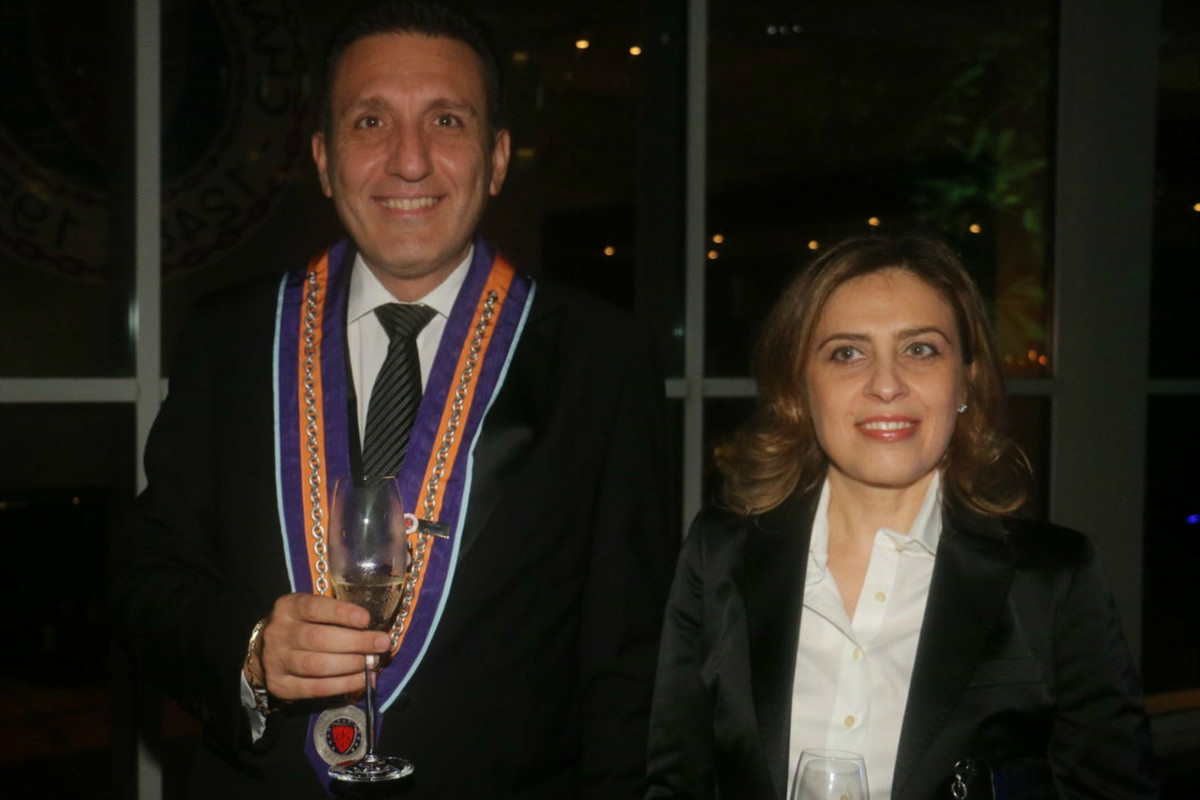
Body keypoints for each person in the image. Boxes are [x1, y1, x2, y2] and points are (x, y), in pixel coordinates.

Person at [115, 2, 675, 798]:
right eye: (370, 122)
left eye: (446, 120)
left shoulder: (601, 357)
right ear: (323, 159)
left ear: (497, 158)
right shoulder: (231, 337)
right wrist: (251, 652)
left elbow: (631, 662)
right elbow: (149, 574)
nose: (409, 161)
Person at [644, 233, 1158, 799]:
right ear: (800, 384)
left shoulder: (1054, 580)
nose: (886, 385)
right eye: (848, 353)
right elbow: (675, 783)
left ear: (965, 379)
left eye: (920, 350)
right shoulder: (720, 555)